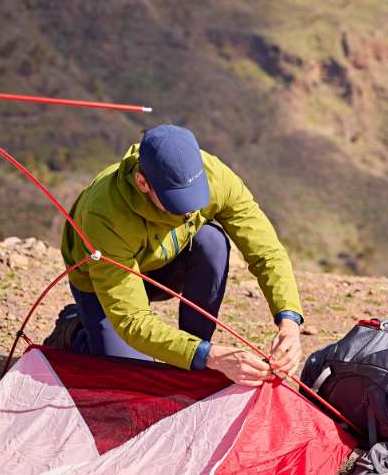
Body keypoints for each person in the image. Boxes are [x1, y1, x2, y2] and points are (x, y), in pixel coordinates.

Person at [59, 124, 303, 385]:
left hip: (165, 263)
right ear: (142, 183)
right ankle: (75, 327)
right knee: (130, 377)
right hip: (104, 285)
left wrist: (289, 321)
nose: (187, 213)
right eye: (176, 202)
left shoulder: (215, 176)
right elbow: (131, 319)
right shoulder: (104, 213)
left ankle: (193, 358)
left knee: (211, 242)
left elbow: (266, 251)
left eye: (194, 199)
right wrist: (213, 357)